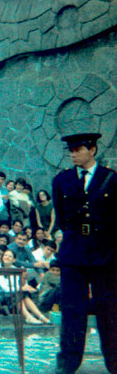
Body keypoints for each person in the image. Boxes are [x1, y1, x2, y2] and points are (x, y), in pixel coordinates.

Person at [52, 132, 117, 374]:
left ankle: (114, 361)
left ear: (93, 149)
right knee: (72, 309)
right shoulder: (62, 180)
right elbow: (61, 218)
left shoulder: (111, 179)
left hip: (106, 256)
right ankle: (68, 362)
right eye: (71, 150)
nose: (73, 154)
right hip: (73, 254)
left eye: (78, 149)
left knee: (109, 310)